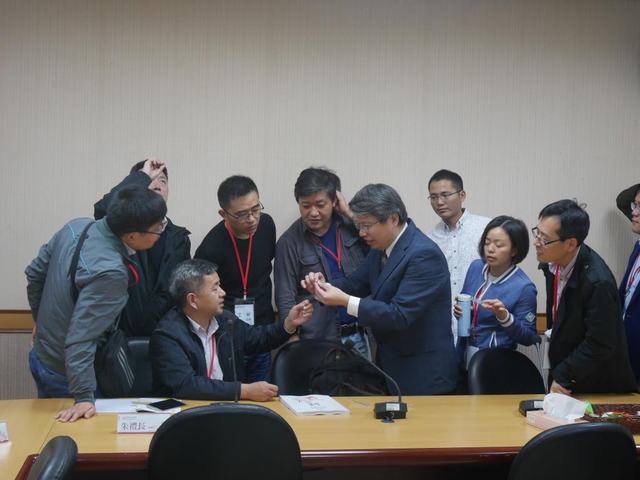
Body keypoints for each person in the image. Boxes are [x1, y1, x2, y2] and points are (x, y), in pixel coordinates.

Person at [26, 185, 167, 422]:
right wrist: (83, 396)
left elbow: (34, 274)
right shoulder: (110, 272)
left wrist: (40, 321)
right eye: (157, 228)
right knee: (78, 439)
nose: (160, 232)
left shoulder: (75, 226)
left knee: (49, 433)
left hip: (41, 355)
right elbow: (82, 337)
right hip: (70, 374)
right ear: (132, 236)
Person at [302, 183, 458, 395]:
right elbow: (355, 283)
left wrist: (344, 301)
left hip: (424, 372)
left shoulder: (423, 254)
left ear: (393, 219)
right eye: (359, 226)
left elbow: (399, 315)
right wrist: (323, 286)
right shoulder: (381, 247)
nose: (361, 233)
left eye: (367, 225)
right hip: (391, 365)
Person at [150, 259, 312, 401]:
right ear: (193, 300)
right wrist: (244, 391)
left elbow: (259, 338)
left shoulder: (225, 320)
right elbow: (186, 385)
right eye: (215, 289)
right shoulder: (167, 335)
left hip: (227, 409)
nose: (223, 293)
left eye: (219, 285)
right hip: (188, 414)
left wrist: (289, 324)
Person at [534, 199, 636, 394]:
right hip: (567, 369)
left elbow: (600, 343)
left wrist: (564, 375)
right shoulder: (552, 265)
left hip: (597, 383)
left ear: (570, 243)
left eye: (544, 239)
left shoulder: (597, 282)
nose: (536, 242)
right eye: (537, 233)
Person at [274, 167, 369, 352]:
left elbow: (380, 253)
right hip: (317, 340)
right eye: (306, 205)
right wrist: (292, 338)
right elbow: (285, 297)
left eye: (320, 204)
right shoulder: (288, 242)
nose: (313, 212)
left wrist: (350, 213)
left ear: (334, 201)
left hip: (361, 333)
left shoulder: (353, 228)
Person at [93, 158, 191, 336]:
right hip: (121, 331)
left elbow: (182, 289)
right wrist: (142, 176)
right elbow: (102, 209)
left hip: (167, 333)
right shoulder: (122, 229)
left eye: (163, 181)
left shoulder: (179, 238)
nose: (157, 186)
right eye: (151, 180)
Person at [194, 176, 275, 382]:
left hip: (262, 331)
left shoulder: (267, 226)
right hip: (228, 338)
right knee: (232, 395)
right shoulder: (211, 248)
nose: (252, 219)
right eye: (241, 214)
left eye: (255, 209)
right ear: (224, 214)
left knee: (262, 394)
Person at [454, 216, 538, 370]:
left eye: (498, 245)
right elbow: (465, 299)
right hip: (463, 353)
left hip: (494, 363)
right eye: (487, 243)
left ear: (514, 250)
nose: (490, 249)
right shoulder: (476, 267)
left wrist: (505, 317)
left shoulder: (524, 287)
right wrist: (459, 310)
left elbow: (528, 337)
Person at [427, 169, 490, 345]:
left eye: (445, 195)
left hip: (482, 326)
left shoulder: (486, 229)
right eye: (433, 197)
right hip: (443, 330)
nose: (439, 202)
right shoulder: (430, 239)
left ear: (462, 195)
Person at [616, 183, 640, 383]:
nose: (634, 212)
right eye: (635, 205)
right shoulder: (638, 247)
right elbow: (622, 200)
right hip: (627, 353)